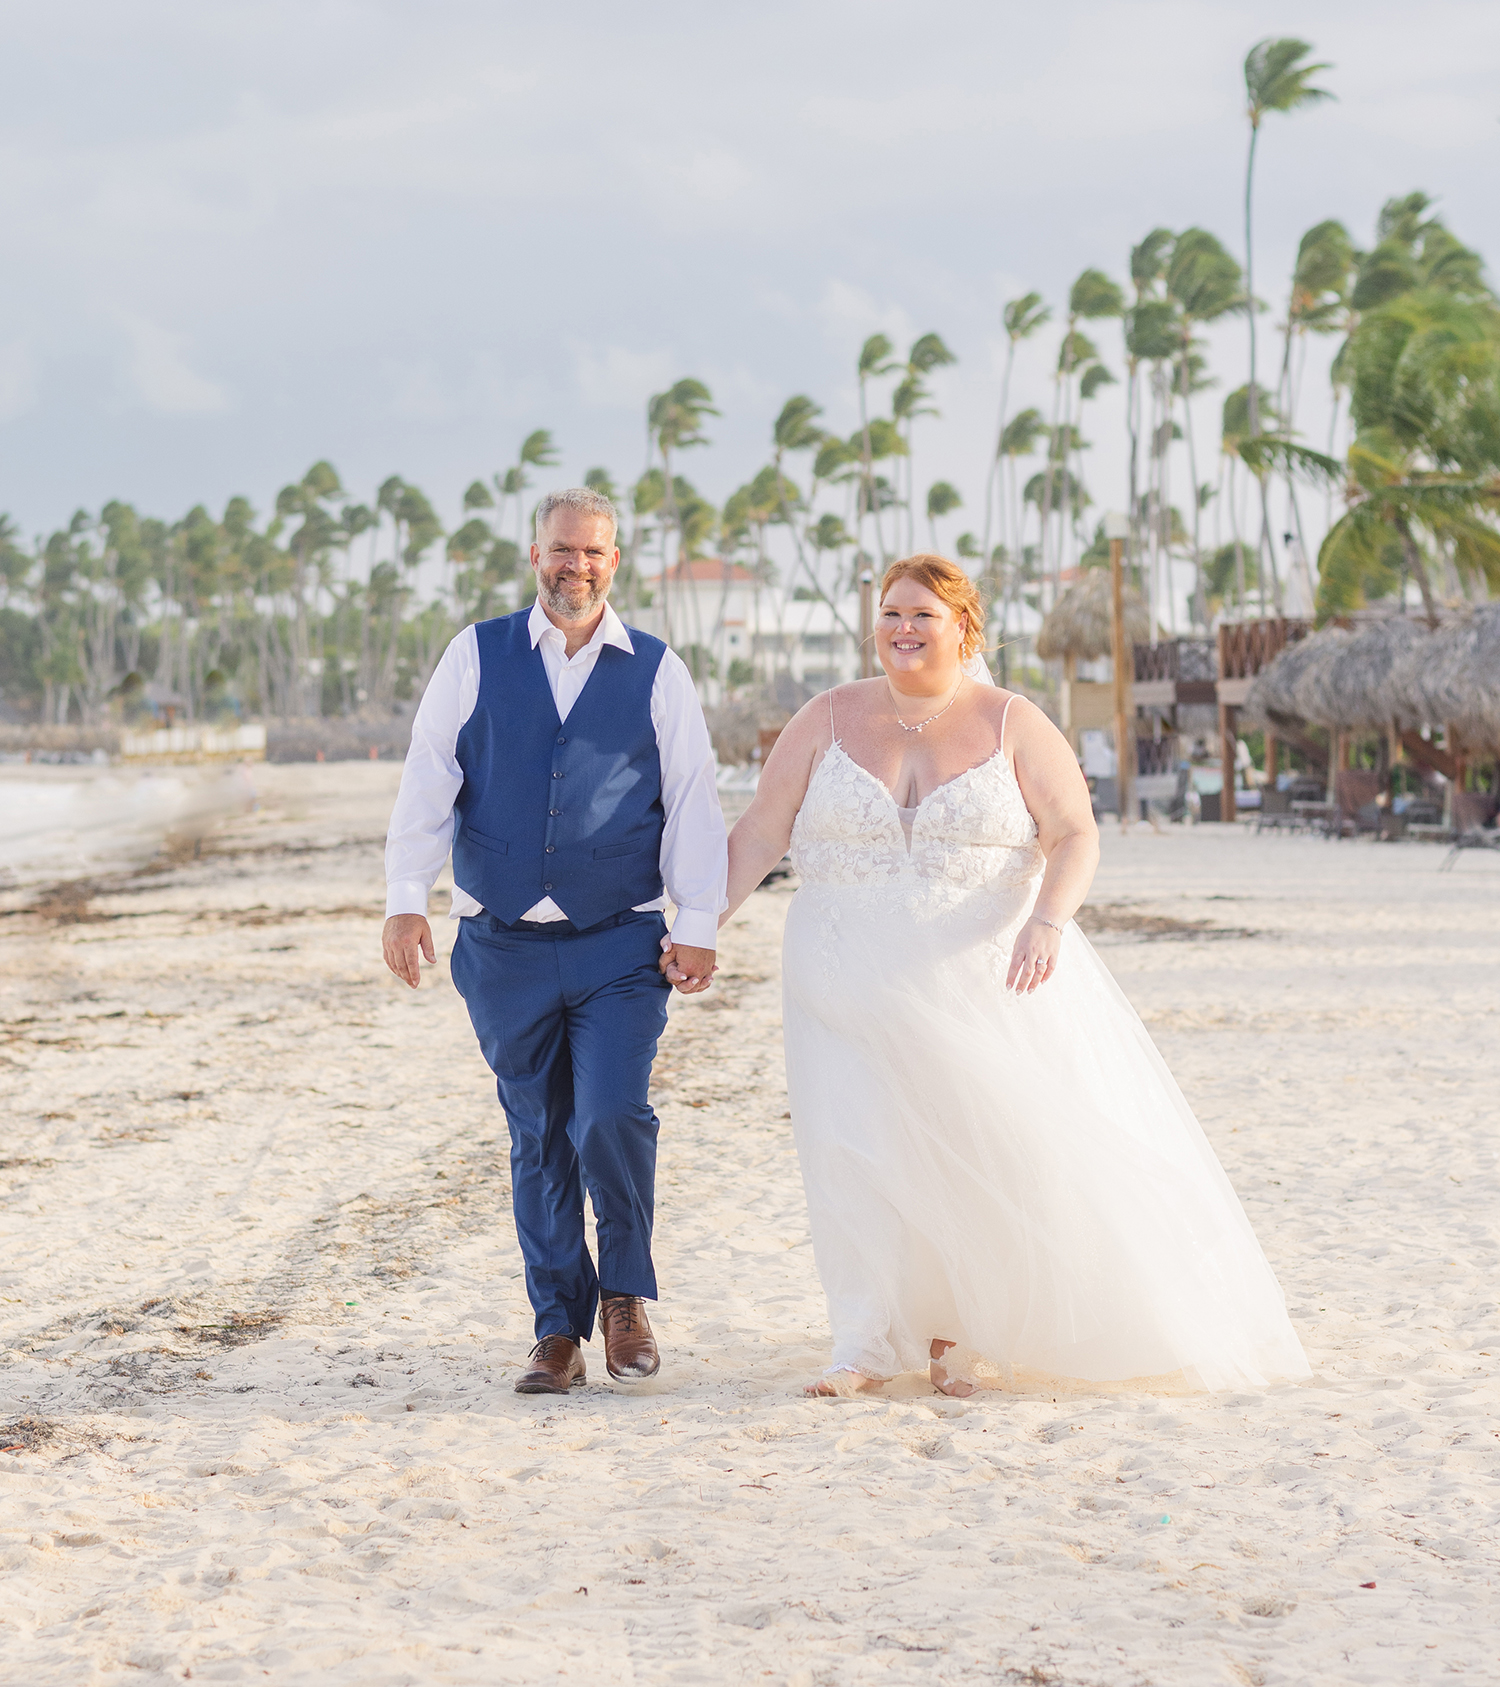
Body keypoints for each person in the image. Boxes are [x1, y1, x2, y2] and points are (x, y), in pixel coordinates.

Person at [719, 554, 1309, 1397]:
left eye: (923, 613)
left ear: (965, 625)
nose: (903, 628)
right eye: (891, 613)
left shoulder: (1012, 721)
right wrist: (698, 928)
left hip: (978, 979)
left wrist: (1048, 919)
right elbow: (757, 834)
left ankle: (959, 1333)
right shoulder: (825, 716)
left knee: (969, 1148)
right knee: (855, 1148)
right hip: (838, 978)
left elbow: (1075, 833)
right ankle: (864, 1339)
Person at [383, 487, 726, 1395]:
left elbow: (693, 797)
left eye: (595, 554)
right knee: (538, 1133)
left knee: (610, 1117)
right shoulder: (475, 653)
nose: (578, 566)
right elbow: (429, 774)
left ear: (616, 563)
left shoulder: (656, 669)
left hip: (620, 945)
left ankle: (623, 1297)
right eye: (562, 550)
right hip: (501, 945)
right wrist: (404, 897)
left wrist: (697, 923)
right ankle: (554, 1329)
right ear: (536, 553)